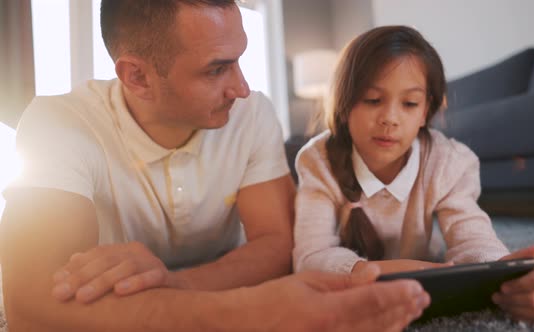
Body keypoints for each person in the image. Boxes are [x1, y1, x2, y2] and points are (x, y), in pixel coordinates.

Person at [0, 1, 430, 331]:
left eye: (239, 60)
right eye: (217, 69)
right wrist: (244, 311)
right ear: (137, 77)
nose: (242, 88)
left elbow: (278, 244)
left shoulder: (252, 113)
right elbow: (28, 305)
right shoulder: (58, 124)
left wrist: (174, 283)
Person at [293, 25, 534, 322]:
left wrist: (505, 273)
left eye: (409, 104)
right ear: (343, 102)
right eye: (372, 99)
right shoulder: (318, 160)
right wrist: (369, 271)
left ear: (425, 111)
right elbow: (309, 257)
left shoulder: (449, 161)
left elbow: (473, 240)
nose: (390, 119)